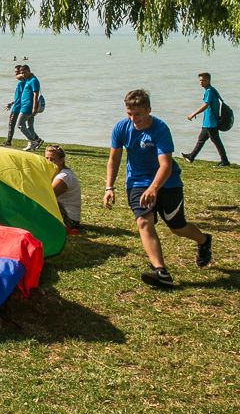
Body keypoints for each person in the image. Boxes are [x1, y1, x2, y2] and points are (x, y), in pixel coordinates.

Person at [103, 89, 213, 288]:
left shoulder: (160, 129)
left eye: (138, 114)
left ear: (148, 110)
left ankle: (204, 241)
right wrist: (109, 187)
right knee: (144, 222)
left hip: (167, 183)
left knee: (177, 227)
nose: (133, 118)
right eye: (129, 113)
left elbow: (166, 164)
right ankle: (160, 271)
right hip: (137, 182)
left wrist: (154, 188)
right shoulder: (121, 128)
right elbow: (114, 158)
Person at [182, 72, 229, 166]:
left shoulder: (209, 91)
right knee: (201, 139)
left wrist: (193, 114)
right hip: (208, 122)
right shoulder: (211, 90)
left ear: (208, 80)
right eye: (200, 80)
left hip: (210, 122)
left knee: (216, 141)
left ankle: (225, 161)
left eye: (203, 80)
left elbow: (206, 105)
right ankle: (191, 156)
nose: (201, 82)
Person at [44, 145, 82, 234]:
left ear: (61, 160)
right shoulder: (54, 173)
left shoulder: (64, 176)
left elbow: (48, 197)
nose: (49, 162)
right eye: (46, 159)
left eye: (52, 159)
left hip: (69, 221)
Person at [16, 65, 43, 151]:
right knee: (30, 126)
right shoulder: (28, 79)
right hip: (25, 105)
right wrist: (23, 73)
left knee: (20, 124)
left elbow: (36, 94)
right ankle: (34, 142)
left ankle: (32, 142)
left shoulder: (34, 81)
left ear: (29, 70)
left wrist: (34, 108)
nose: (23, 74)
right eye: (22, 73)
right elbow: (17, 76)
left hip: (28, 106)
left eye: (24, 72)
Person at [3, 65, 24, 146]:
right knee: (23, 125)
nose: (15, 74)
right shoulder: (23, 83)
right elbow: (19, 97)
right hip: (18, 105)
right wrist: (11, 103)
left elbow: (22, 97)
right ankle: (34, 139)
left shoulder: (21, 84)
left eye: (16, 72)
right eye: (15, 72)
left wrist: (14, 104)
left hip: (18, 107)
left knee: (12, 124)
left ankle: (8, 141)